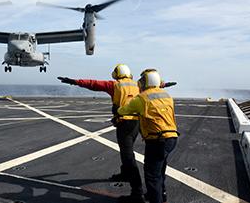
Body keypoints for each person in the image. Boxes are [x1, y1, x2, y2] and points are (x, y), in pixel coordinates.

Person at [58, 64, 145, 202]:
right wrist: (163, 84)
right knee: (125, 151)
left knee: (128, 156)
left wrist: (75, 82)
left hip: (124, 124)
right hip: (136, 124)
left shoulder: (115, 85)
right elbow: (153, 86)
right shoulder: (138, 85)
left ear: (117, 74)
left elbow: (93, 84)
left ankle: (137, 192)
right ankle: (125, 174)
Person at [117, 69, 178, 203]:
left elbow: (124, 110)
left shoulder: (142, 98)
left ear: (146, 82)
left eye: (143, 80)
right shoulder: (167, 95)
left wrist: (118, 110)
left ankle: (156, 199)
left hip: (157, 140)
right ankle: (162, 195)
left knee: (152, 176)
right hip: (172, 138)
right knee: (160, 170)